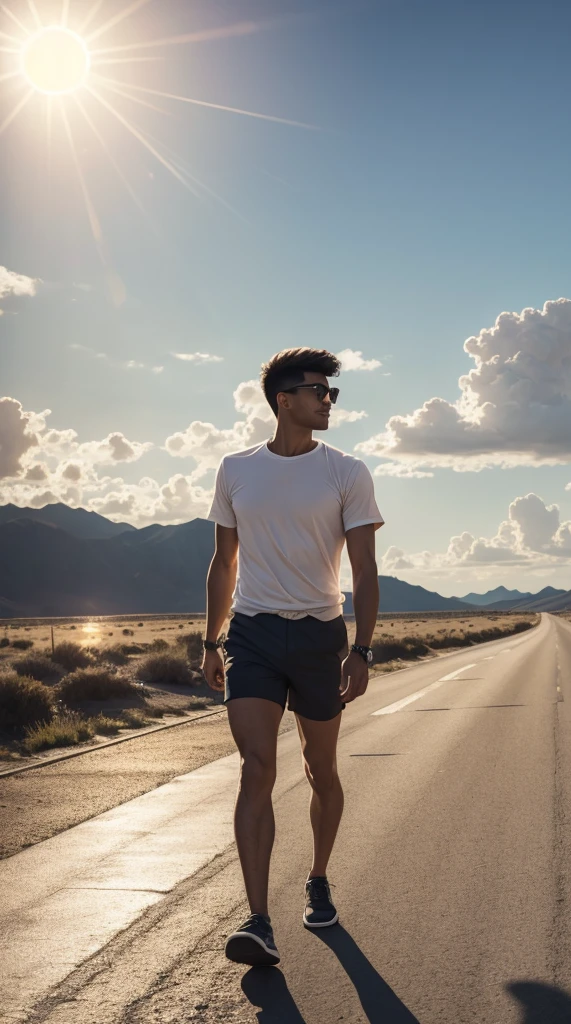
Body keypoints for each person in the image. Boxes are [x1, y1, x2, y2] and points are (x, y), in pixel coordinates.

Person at [201, 347, 384, 967]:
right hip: (251, 634)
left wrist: (360, 648)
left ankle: (319, 877)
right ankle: (257, 920)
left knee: (320, 770)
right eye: (319, 392)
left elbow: (363, 567)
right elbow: (224, 561)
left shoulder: (347, 471)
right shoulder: (235, 469)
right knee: (257, 767)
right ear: (285, 401)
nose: (329, 401)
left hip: (319, 636)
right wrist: (210, 638)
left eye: (332, 393)